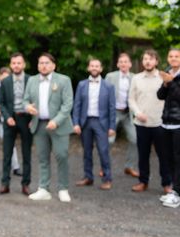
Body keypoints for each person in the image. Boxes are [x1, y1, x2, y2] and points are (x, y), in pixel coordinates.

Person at [24, 53, 74, 203]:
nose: (43, 66)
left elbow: (67, 104)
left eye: (46, 63)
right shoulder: (32, 80)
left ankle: (63, 188)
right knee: (43, 157)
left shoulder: (64, 80)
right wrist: (28, 107)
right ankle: (43, 189)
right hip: (39, 124)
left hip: (59, 125)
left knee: (62, 156)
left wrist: (57, 121)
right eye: (40, 63)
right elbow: (26, 100)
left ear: (53, 65)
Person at [129, 49, 172, 193]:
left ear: (157, 62)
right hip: (141, 123)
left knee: (163, 155)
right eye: (145, 59)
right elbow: (131, 99)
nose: (148, 61)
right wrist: (137, 112)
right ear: (142, 62)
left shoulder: (164, 77)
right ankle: (143, 182)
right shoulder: (136, 78)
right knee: (143, 154)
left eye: (151, 59)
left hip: (160, 123)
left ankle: (166, 184)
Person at [73, 58, 116, 190]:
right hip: (85, 122)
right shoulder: (82, 85)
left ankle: (107, 179)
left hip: (101, 122)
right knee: (86, 151)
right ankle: (88, 177)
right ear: (88, 68)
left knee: (103, 151)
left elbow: (111, 107)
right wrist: (76, 123)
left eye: (97, 66)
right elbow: (77, 105)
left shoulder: (108, 86)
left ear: (101, 69)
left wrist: (112, 126)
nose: (94, 68)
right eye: (92, 66)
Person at [0, 53, 32, 196]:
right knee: (7, 153)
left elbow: (36, 100)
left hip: (26, 119)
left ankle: (26, 184)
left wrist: (32, 119)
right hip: (10, 119)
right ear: (11, 65)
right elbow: (1, 102)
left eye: (19, 63)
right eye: (14, 63)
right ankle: (5, 184)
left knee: (26, 153)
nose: (16, 65)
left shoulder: (31, 80)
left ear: (23, 65)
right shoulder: (5, 82)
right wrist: (6, 117)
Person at [105, 53, 139, 178]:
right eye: (121, 62)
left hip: (128, 113)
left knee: (135, 139)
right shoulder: (110, 76)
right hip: (113, 112)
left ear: (130, 64)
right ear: (118, 64)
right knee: (109, 141)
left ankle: (129, 166)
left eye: (126, 62)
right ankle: (105, 166)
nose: (123, 64)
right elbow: (104, 95)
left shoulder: (135, 77)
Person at [158, 48, 180, 208]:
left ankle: (177, 194)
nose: (173, 58)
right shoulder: (167, 73)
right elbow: (160, 96)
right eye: (171, 56)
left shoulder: (175, 77)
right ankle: (173, 190)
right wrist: (165, 84)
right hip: (166, 122)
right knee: (169, 158)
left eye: (177, 56)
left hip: (179, 123)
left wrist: (171, 82)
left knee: (178, 159)